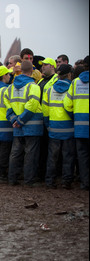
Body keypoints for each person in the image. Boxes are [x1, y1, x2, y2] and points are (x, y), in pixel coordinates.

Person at [5, 60, 43, 187]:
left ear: (20, 70)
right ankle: (29, 180)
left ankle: (12, 179)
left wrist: (14, 119)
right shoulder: (34, 87)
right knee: (30, 153)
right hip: (31, 125)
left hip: (17, 124)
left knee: (15, 153)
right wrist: (21, 120)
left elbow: (7, 103)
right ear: (32, 71)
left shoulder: (10, 87)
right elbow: (32, 105)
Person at [42, 63, 75, 189]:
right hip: (69, 128)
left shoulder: (50, 89)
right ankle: (66, 181)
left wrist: (47, 124)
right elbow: (71, 107)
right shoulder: (71, 89)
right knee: (68, 156)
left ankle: (49, 181)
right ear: (69, 75)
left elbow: (45, 110)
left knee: (52, 156)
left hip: (54, 128)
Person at [64, 56, 89, 190]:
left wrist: (75, 117)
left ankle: (85, 183)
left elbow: (67, 105)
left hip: (80, 126)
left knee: (83, 157)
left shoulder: (75, 83)